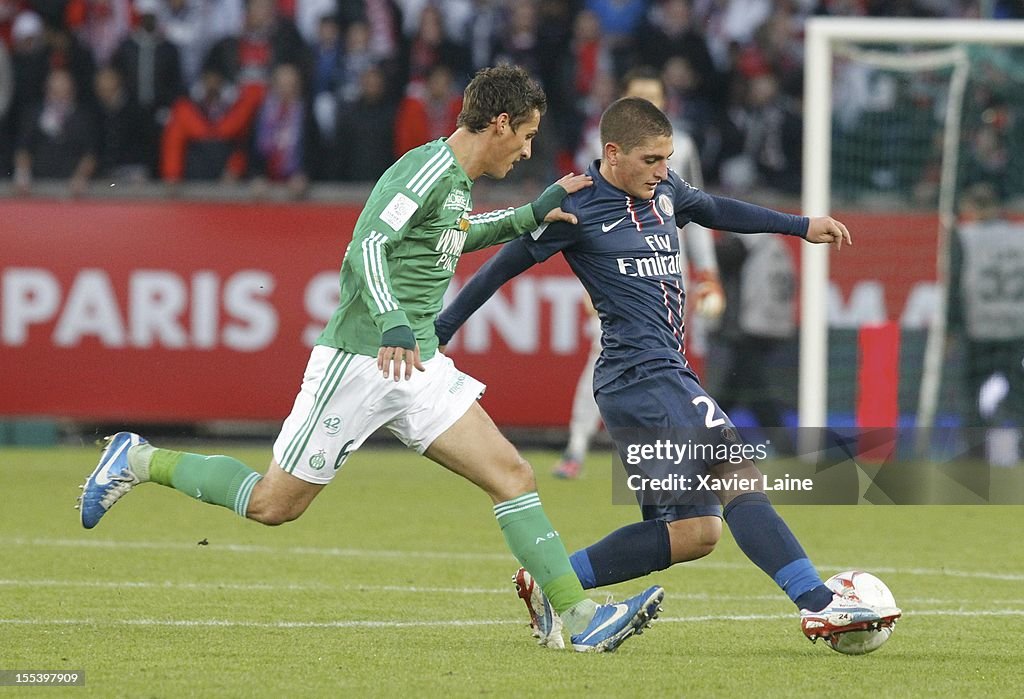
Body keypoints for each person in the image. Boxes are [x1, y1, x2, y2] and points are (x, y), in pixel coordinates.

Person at [77, 65, 664, 654]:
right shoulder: (427, 167)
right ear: (501, 122)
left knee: (511, 475)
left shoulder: (458, 181)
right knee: (273, 504)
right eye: (528, 134)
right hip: (362, 360)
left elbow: (452, 234)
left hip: (418, 366)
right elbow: (369, 245)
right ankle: (139, 459)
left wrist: (527, 215)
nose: (529, 148)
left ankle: (580, 614)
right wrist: (391, 321)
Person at [435, 96, 900, 648]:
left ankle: (552, 579)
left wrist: (802, 226)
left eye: (667, 158)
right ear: (613, 153)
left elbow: (718, 210)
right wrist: (441, 331)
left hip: (659, 378)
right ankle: (819, 605)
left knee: (693, 533)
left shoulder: (667, 191)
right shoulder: (575, 207)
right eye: (652, 159)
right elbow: (500, 267)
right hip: (640, 378)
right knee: (737, 475)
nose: (663, 170)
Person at [554, 66, 724, 479]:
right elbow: (580, 211)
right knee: (603, 354)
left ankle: (666, 455)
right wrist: (588, 282)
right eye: (640, 96)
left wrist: (708, 273)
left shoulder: (679, 146)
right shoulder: (602, 144)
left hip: (666, 271)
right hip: (614, 269)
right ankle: (577, 445)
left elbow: (699, 211)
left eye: (655, 97)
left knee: (668, 361)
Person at [949, 182, 1024, 465]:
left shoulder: (964, 237)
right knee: (1020, 395)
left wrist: (949, 329)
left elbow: (955, 287)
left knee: (971, 396)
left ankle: (975, 457)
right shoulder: (1020, 236)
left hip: (978, 330)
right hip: (1017, 329)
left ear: (970, 208)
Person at [704, 231, 798, 456]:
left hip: (749, 327)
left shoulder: (741, 244)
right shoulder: (775, 245)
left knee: (754, 392)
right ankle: (703, 440)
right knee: (737, 389)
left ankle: (786, 450)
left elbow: (716, 258)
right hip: (773, 325)